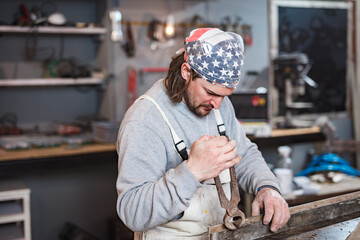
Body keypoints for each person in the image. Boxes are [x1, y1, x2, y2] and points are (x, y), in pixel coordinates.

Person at [116, 28, 290, 240]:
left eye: (224, 96)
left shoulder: (218, 105)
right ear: (186, 72)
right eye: (210, 92)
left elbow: (243, 155)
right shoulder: (144, 120)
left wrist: (267, 187)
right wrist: (192, 171)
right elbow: (133, 211)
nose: (217, 105)